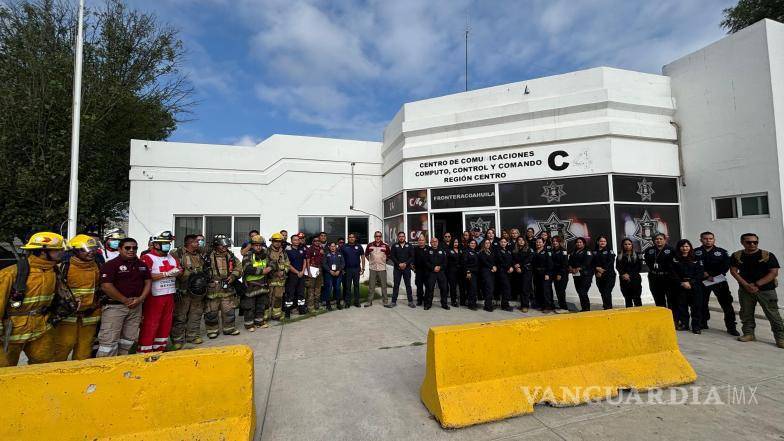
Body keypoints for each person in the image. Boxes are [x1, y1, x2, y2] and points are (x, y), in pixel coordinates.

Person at [0, 232, 66, 366]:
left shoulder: (53, 271)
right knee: (5, 369)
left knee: (44, 366)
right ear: (42, 252)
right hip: (12, 332)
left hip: (41, 328)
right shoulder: (11, 273)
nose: (61, 253)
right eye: (57, 250)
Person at [96, 237, 151, 357]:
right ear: (120, 249)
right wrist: (124, 300)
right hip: (115, 307)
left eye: (134, 248)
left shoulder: (142, 265)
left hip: (136, 306)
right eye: (127, 248)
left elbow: (148, 282)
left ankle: (122, 362)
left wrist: (140, 299)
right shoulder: (110, 265)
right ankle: (104, 368)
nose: (131, 250)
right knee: (108, 341)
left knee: (128, 339)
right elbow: (106, 286)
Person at [52, 234, 102, 361]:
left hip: (90, 314)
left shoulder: (97, 265)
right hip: (69, 315)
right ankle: (57, 373)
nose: (91, 253)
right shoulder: (63, 267)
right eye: (86, 250)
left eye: (93, 249)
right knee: (63, 346)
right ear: (75, 250)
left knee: (85, 349)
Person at [730, 233, 784, 347]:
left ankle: (780, 338)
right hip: (745, 290)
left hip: (766, 290)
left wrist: (756, 285)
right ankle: (749, 334)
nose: (752, 244)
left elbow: (774, 272)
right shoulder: (737, 255)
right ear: (742, 242)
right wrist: (745, 285)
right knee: (746, 313)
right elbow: (733, 271)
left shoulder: (767, 255)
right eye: (749, 242)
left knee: (773, 314)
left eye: (755, 242)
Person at [138, 231, 181, 353]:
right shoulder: (147, 257)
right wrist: (166, 274)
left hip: (169, 294)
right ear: (156, 244)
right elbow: (145, 276)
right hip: (154, 296)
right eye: (165, 243)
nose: (168, 245)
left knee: (166, 323)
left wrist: (178, 272)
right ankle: (145, 350)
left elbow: (179, 268)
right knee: (151, 323)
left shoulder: (171, 257)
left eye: (168, 243)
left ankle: (159, 348)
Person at [695, 232, 739, 336]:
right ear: (701, 240)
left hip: (718, 280)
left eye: (710, 238)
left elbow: (726, 266)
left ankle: (731, 327)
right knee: (701, 303)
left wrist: (712, 276)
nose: (708, 240)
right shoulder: (695, 252)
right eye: (705, 239)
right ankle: (703, 323)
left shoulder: (722, 252)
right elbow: (693, 265)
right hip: (702, 281)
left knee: (726, 304)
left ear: (714, 240)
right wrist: (705, 274)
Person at [172, 234, 207, 348]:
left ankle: (193, 336)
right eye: (197, 242)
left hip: (198, 292)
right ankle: (178, 339)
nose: (199, 244)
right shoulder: (177, 254)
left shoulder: (200, 254)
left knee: (196, 314)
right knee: (180, 316)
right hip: (183, 290)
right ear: (190, 243)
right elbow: (174, 271)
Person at [204, 234, 242, 338]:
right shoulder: (207, 256)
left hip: (227, 288)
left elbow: (239, 267)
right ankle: (212, 330)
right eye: (222, 245)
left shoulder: (231, 256)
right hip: (212, 289)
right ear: (216, 245)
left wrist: (233, 276)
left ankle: (229, 329)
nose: (225, 247)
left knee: (229, 310)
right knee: (211, 312)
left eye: (226, 245)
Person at [671, 239, 705, 334]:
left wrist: (691, 283)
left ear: (690, 247)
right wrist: (682, 283)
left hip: (694, 286)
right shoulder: (674, 259)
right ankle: (685, 324)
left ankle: (696, 327)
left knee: (696, 307)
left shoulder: (697, 258)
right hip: (680, 286)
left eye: (687, 246)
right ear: (679, 248)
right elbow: (673, 273)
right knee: (682, 307)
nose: (685, 248)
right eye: (682, 246)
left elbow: (700, 273)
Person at [241, 235, 272, 330]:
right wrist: (263, 271)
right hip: (251, 285)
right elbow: (247, 268)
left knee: (261, 305)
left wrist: (270, 267)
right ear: (252, 246)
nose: (258, 247)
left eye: (260, 245)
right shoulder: (248, 255)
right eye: (256, 245)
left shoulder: (265, 254)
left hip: (262, 284)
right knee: (250, 306)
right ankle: (249, 324)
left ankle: (259, 321)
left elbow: (273, 262)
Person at [644, 233, 677, 322]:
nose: (658, 240)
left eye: (660, 239)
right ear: (653, 241)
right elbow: (647, 262)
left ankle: (673, 319)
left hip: (667, 277)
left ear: (665, 240)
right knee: (658, 298)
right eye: (656, 239)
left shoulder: (671, 250)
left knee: (671, 299)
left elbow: (674, 264)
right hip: (654, 277)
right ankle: (662, 319)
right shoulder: (649, 250)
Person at [267, 232, 290, 320]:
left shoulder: (283, 252)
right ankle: (265, 316)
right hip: (270, 279)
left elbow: (287, 263)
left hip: (280, 280)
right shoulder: (267, 251)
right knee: (268, 298)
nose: (278, 243)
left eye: (279, 241)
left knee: (278, 298)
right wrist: (274, 272)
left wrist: (284, 271)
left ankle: (276, 315)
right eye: (275, 241)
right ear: (272, 241)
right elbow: (264, 265)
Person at [389, 231, 415, 308]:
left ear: (405, 237)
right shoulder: (394, 246)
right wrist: (399, 264)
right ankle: (393, 302)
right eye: (400, 236)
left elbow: (412, 256)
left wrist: (406, 264)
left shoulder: (409, 246)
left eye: (402, 236)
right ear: (398, 237)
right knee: (396, 285)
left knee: (408, 285)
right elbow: (392, 256)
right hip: (397, 269)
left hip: (407, 269)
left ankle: (410, 302)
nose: (401, 237)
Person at [284, 234, 307, 318]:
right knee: (290, 293)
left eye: (298, 240)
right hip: (292, 275)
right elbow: (288, 264)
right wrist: (297, 272)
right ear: (291, 241)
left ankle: (301, 309)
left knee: (301, 292)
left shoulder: (302, 249)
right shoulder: (288, 250)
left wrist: (302, 271)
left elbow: (304, 261)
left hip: (301, 274)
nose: (297, 241)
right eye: (295, 240)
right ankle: (287, 311)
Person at [365, 231, 390, 306]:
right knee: (371, 286)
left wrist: (383, 260)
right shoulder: (370, 245)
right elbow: (366, 254)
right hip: (372, 268)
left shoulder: (385, 246)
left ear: (381, 237)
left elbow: (389, 255)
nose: (378, 237)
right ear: (374, 237)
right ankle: (369, 301)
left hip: (382, 268)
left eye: (379, 236)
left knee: (383, 286)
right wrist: (371, 261)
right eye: (376, 236)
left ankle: (385, 301)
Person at [568, 237, 593, 311]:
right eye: (577, 242)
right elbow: (570, 262)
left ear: (584, 243)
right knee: (579, 291)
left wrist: (578, 269)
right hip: (576, 275)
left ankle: (587, 309)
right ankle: (583, 308)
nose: (578, 244)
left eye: (580, 242)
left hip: (586, 275)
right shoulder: (573, 252)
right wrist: (571, 268)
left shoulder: (587, 251)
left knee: (583, 291)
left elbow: (587, 262)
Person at [616, 238, 642, 308]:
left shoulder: (637, 254)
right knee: (627, 299)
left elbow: (639, 267)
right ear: (622, 245)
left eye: (629, 244)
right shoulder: (619, 255)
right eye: (625, 244)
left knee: (637, 298)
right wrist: (623, 274)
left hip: (635, 279)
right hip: (624, 279)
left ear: (632, 245)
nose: (627, 246)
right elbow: (618, 267)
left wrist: (629, 275)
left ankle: (640, 314)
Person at [341, 233, 365, 308]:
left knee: (356, 286)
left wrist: (363, 268)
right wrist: (342, 269)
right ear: (348, 238)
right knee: (347, 286)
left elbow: (363, 257)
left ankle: (356, 301)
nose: (351, 238)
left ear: (355, 238)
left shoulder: (359, 246)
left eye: (353, 237)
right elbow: (341, 258)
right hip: (347, 269)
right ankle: (347, 302)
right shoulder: (344, 247)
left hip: (356, 269)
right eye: (350, 237)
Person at [425, 237, 449, 310]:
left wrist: (440, 267)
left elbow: (445, 262)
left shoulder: (442, 251)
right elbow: (426, 262)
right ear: (430, 243)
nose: (434, 243)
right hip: (431, 272)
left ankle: (444, 304)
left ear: (438, 242)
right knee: (430, 289)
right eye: (433, 242)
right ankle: (428, 304)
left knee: (444, 288)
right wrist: (433, 268)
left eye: (436, 241)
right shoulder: (427, 251)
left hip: (441, 272)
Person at [532, 237, 555, 313]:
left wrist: (547, 273)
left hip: (545, 273)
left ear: (543, 243)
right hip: (537, 274)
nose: (538, 243)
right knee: (539, 290)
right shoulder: (534, 251)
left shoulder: (547, 251)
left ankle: (548, 307)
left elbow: (550, 264)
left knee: (546, 290)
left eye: (540, 242)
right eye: (537, 242)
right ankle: (541, 305)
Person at [593, 235, 616, 310]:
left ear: (606, 242)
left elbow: (610, 262)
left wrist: (601, 271)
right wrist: (596, 268)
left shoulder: (610, 251)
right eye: (601, 241)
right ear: (598, 242)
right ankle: (605, 306)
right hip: (598, 275)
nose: (602, 242)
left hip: (609, 275)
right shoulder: (594, 252)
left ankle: (609, 308)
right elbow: (591, 263)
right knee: (602, 292)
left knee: (607, 292)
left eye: (604, 241)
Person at [322, 242, 345, 310]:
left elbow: (343, 263)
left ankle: (338, 303)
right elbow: (324, 264)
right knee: (328, 289)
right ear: (329, 247)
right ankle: (328, 304)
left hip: (338, 274)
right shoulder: (326, 254)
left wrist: (339, 270)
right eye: (331, 246)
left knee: (337, 288)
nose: (332, 248)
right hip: (329, 274)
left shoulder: (340, 254)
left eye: (334, 246)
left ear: (336, 247)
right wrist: (330, 271)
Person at [513, 236, 534, 312]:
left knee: (525, 289)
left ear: (525, 241)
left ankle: (525, 305)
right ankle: (522, 304)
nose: (521, 241)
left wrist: (520, 265)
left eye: (522, 240)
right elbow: (512, 259)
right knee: (520, 288)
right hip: (518, 271)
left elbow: (529, 259)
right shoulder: (515, 250)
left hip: (526, 271)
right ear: (517, 241)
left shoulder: (529, 249)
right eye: (519, 240)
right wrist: (516, 266)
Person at [305, 236, 325, 311]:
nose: (317, 242)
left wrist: (322, 253)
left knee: (318, 288)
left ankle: (317, 305)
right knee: (310, 288)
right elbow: (307, 261)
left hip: (319, 270)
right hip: (312, 269)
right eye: (315, 241)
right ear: (313, 242)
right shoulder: (310, 249)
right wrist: (309, 271)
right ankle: (310, 306)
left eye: (318, 241)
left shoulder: (321, 249)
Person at [495, 237, 514, 312]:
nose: (503, 243)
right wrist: (508, 268)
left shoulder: (508, 251)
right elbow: (500, 261)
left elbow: (511, 260)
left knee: (506, 288)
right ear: (499, 243)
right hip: (502, 272)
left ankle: (504, 304)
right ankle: (505, 305)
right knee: (506, 288)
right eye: (502, 242)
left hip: (509, 272)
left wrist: (512, 267)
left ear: (507, 243)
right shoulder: (498, 251)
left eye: (504, 242)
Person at [550, 236, 569, 311]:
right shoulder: (552, 250)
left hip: (562, 274)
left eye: (556, 241)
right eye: (553, 241)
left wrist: (560, 274)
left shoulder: (563, 251)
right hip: (554, 273)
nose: (554, 242)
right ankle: (561, 306)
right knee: (558, 291)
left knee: (561, 291)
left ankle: (564, 307)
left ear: (560, 242)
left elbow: (564, 264)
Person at [478, 239, 497, 311]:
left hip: (492, 272)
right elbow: (484, 262)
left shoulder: (491, 252)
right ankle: (488, 306)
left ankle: (488, 304)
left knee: (491, 289)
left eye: (489, 243)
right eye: (486, 243)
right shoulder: (481, 253)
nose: (487, 244)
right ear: (483, 244)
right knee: (488, 288)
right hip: (485, 272)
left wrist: (494, 267)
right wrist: (492, 267)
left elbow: (494, 261)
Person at [463, 240, 480, 311]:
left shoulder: (476, 252)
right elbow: (464, 262)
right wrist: (468, 271)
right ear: (469, 244)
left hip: (476, 273)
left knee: (474, 288)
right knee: (472, 288)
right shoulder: (466, 252)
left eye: (474, 243)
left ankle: (474, 303)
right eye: (471, 243)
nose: (473, 244)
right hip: (470, 273)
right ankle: (471, 304)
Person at [412, 235, 429, 306]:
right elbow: (412, 259)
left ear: (425, 241)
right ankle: (419, 300)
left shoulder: (429, 248)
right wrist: (413, 267)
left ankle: (426, 300)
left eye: (422, 240)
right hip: (418, 271)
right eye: (420, 240)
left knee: (428, 286)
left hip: (427, 271)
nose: (421, 241)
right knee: (419, 286)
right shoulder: (415, 249)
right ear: (418, 241)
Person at [446, 239, 462, 308]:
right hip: (451, 271)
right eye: (455, 242)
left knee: (461, 286)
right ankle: (453, 301)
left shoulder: (460, 250)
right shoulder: (449, 251)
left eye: (457, 242)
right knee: (453, 287)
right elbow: (447, 262)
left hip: (460, 271)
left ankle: (462, 301)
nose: (456, 243)